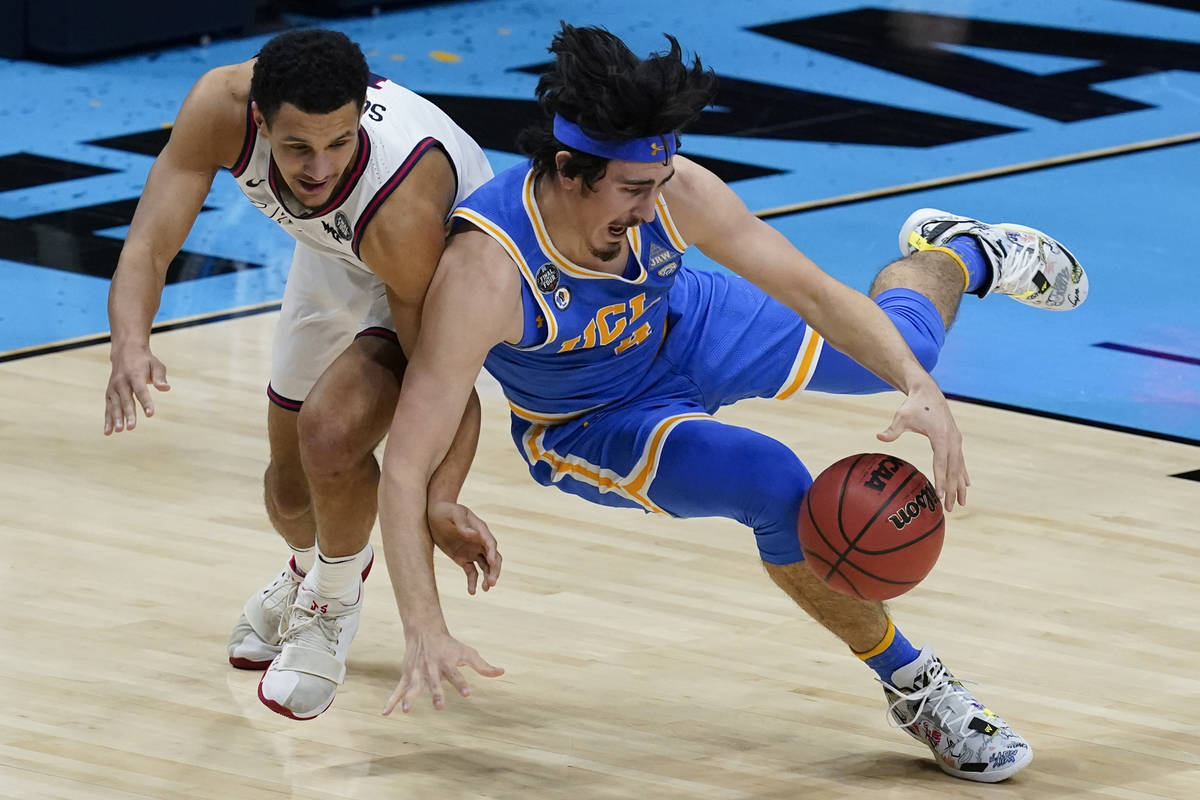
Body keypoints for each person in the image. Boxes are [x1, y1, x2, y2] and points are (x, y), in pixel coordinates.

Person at [375, 24, 1088, 782]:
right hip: (595, 419)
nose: (654, 209)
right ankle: (918, 687)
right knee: (770, 481)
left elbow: (812, 291)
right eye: (632, 191)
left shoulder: (670, 188)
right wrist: (425, 626)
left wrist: (922, 389)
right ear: (568, 170)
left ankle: (960, 251)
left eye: (659, 183)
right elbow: (405, 467)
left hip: (690, 323)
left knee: (911, 344)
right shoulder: (486, 272)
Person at [103, 29, 503, 720]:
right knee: (289, 493)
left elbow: (442, 379)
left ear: (360, 114)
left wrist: (444, 494)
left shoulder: (401, 212)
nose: (318, 166)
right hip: (333, 253)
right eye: (297, 148)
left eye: (338, 143)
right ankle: (314, 567)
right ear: (259, 120)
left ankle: (332, 604)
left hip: (435, 273)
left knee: (330, 435)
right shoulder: (220, 105)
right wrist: (130, 343)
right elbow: (148, 242)